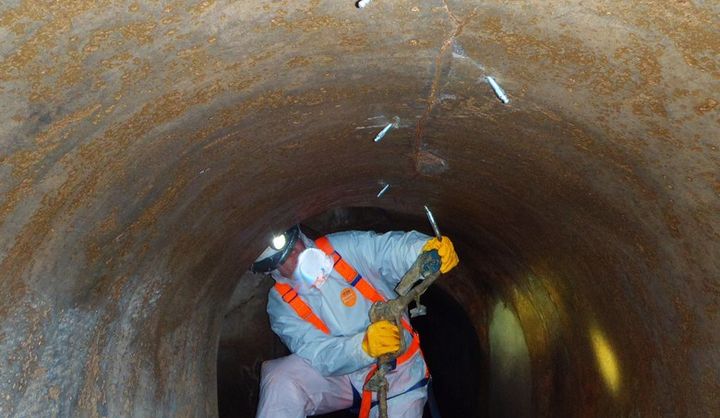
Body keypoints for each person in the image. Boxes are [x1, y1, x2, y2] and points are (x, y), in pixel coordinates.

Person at [251, 225, 459, 418]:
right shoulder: (281, 304)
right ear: (272, 270)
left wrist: (423, 249)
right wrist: (364, 347)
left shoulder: (342, 247)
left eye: (292, 247)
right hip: (345, 377)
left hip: (399, 371)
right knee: (281, 377)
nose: (294, 260)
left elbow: (386, 251)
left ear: (298, 235)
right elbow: (319, 354)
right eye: (282, 260)